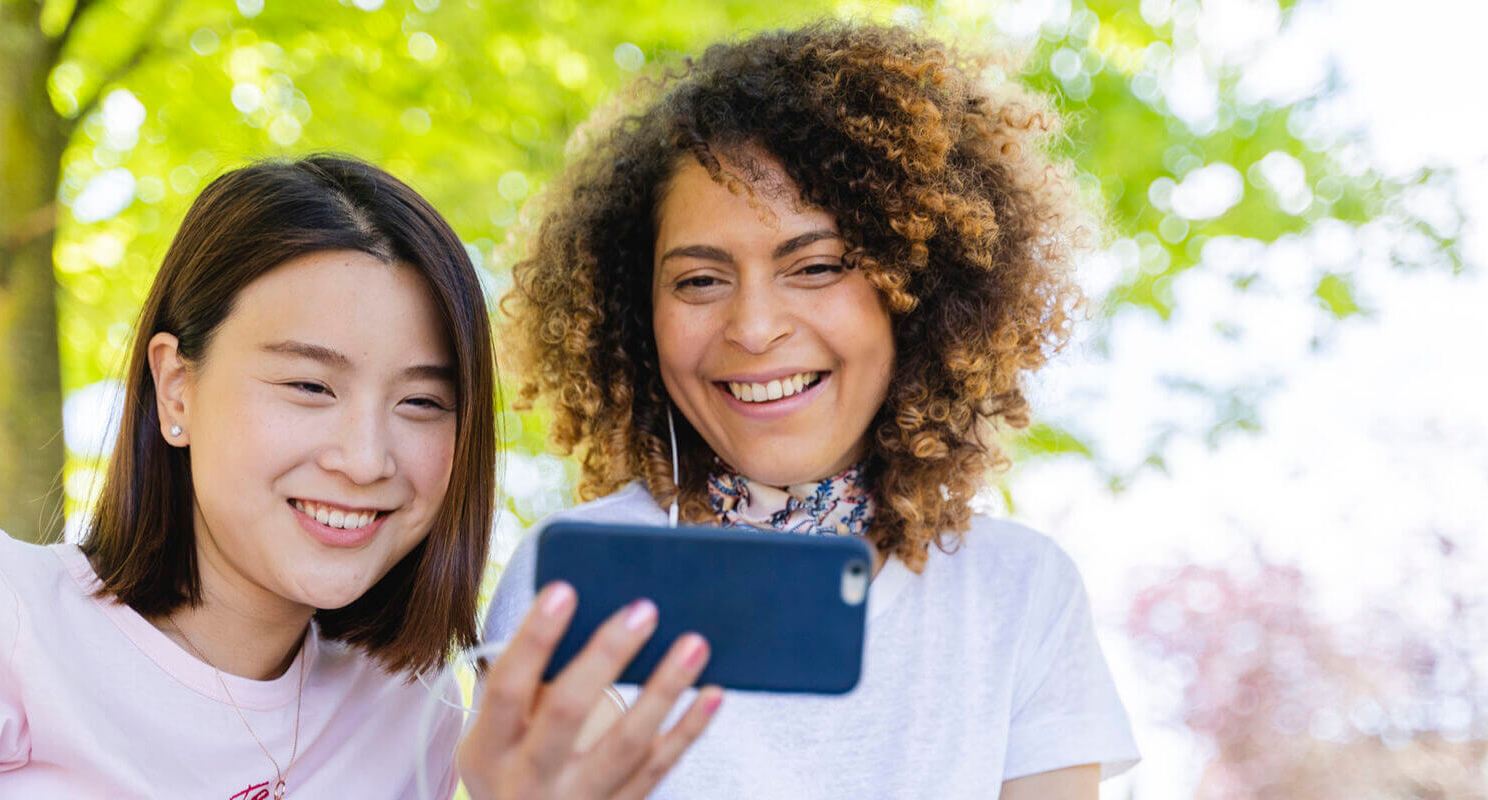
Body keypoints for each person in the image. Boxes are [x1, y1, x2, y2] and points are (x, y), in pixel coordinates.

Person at [0, 155, 716, 799]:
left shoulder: (408, 715)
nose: (365, 457)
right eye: (309, 384)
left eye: (422, 403)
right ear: (175, 387)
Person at [486, 22, 1142, 798]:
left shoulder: (1019, 593)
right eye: (699, 281)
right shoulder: (580, 582)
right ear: (637, 315)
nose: (755, 327)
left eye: (818, 265)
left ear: (920, 295)